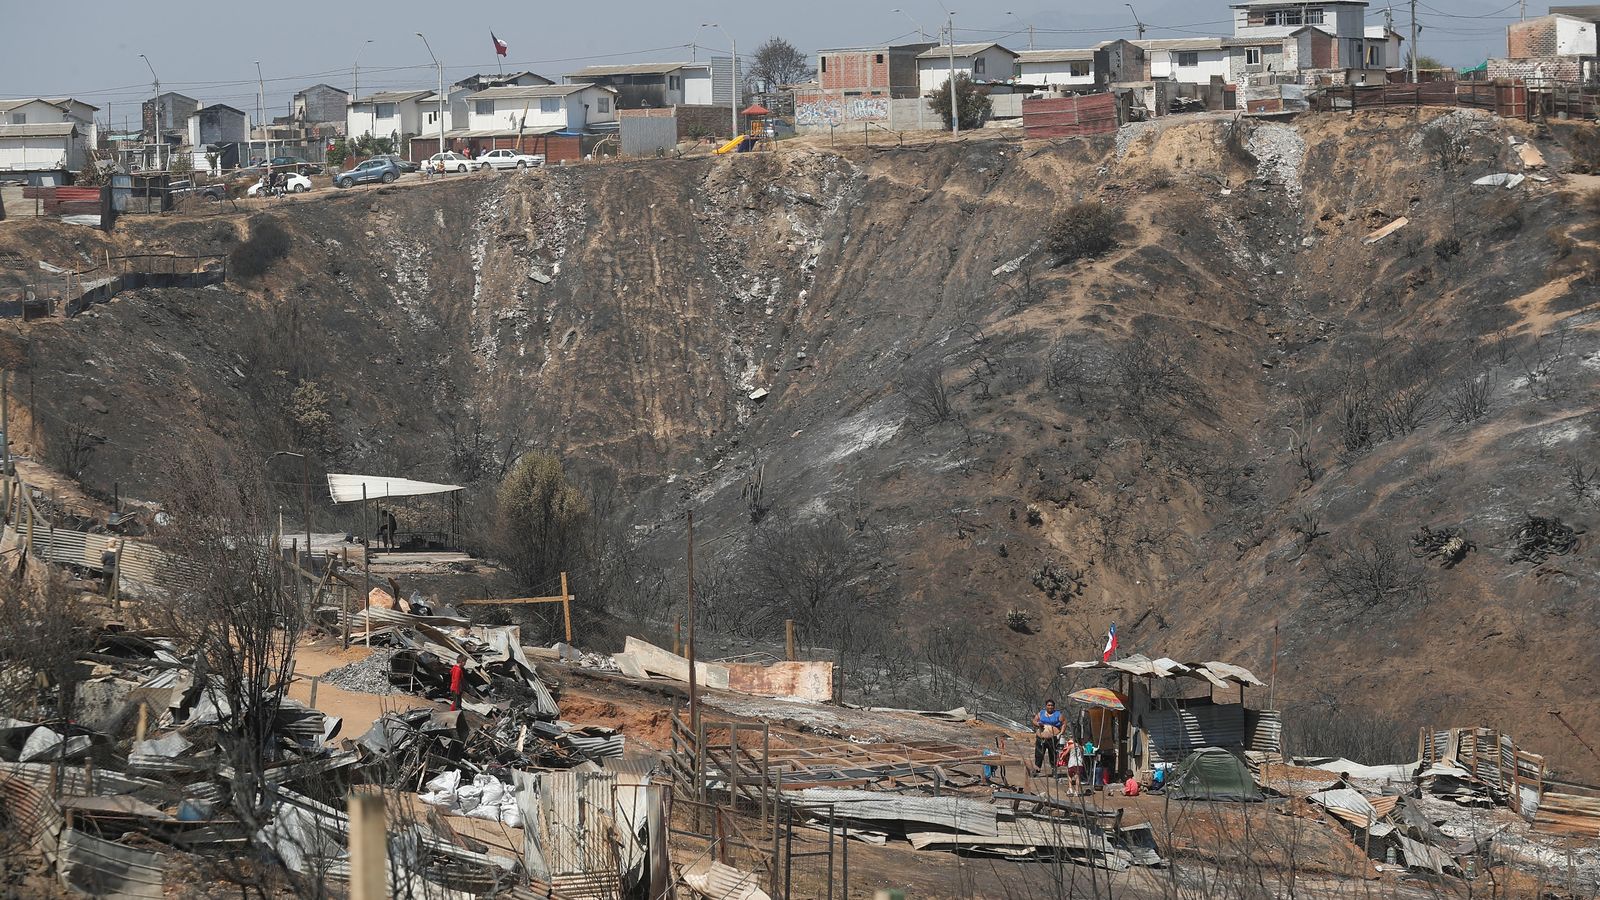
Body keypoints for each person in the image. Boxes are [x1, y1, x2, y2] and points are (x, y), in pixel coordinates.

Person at [1031, 699, 1064, 777]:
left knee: (1053, 754)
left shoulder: (1058, 714)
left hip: (1052, 738)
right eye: (1049, 705)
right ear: (1046, 706)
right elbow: (1034, 721)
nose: (1050, 707)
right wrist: (1038, 723)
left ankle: (1054, 770)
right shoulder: (1041, 713)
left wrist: (1061, 733)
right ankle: (1037, 769)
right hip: (1041, 737)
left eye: (1052, 705)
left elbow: (1064, 723)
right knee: (1039, 754)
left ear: (1054, 706)